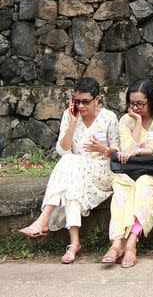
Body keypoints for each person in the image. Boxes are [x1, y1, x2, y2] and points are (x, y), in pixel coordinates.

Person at [18, 77, 119, 264]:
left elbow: (118, 151)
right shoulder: (69, 114)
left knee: (71, 166)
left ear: (97, 99)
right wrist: (73, 122)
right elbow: (63, 150)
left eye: (85, 101)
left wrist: (103, 149)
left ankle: (44, 220)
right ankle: (74, 243)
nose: (80, 105)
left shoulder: (109, 118)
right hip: (76, 170)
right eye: (76, 101)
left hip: (101, 172)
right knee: (71, 173)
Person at [102, 79, 153, 268]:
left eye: (140, 104)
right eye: (131, 103)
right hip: (130, 173)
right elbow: (127, 150)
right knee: (121, 189)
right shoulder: (126, 120)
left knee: (143, 185)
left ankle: (131, 244)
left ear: (151, 101)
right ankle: (117, 243)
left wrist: (141, 151)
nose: (134, 108)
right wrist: (137, 122)